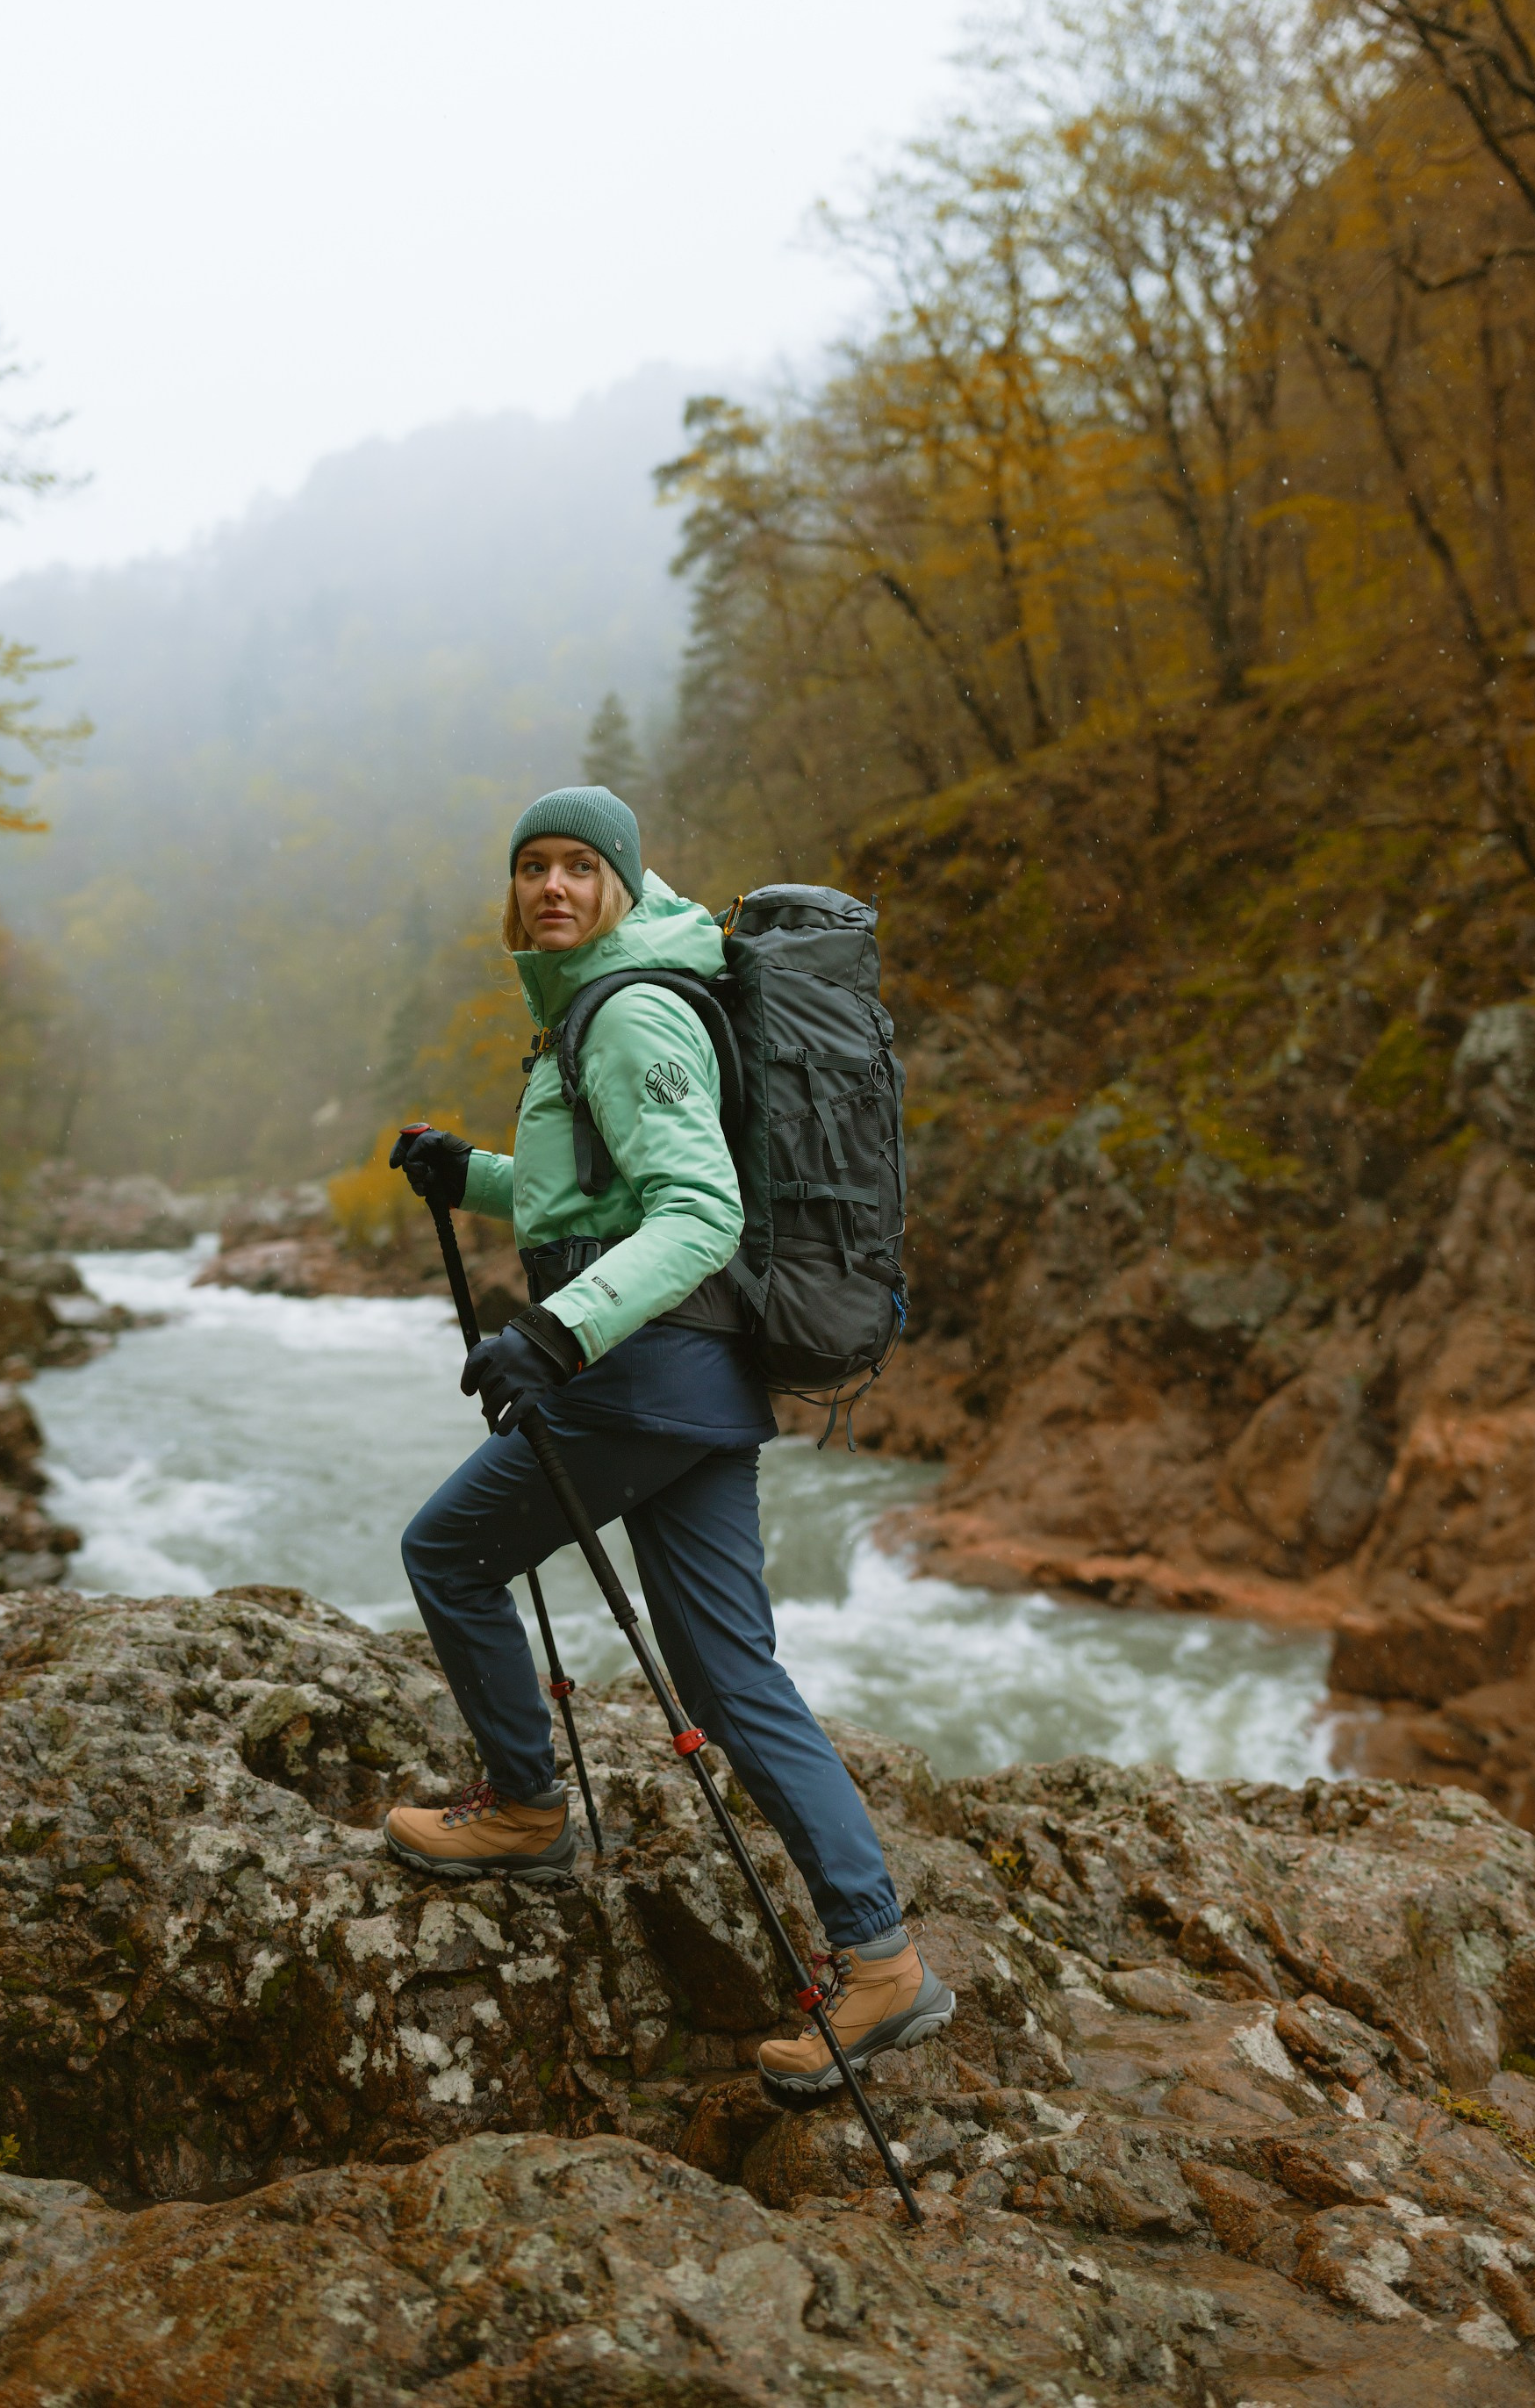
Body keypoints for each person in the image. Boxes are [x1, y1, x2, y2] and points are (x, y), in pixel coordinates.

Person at [384, 785, 954, 2096]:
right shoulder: (603, 1003)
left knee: (450, 1556)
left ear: (625, 887)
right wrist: (469, 1170)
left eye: (581, 866)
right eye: (532, 867)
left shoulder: (632, 1009)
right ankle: (880, 1963)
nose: (553, 887)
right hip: (696, 1378)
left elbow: (696, 1212)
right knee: (728, 1674)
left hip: (636, 1376)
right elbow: (593, 1189)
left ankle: (525, 1811)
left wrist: (554, 1331)